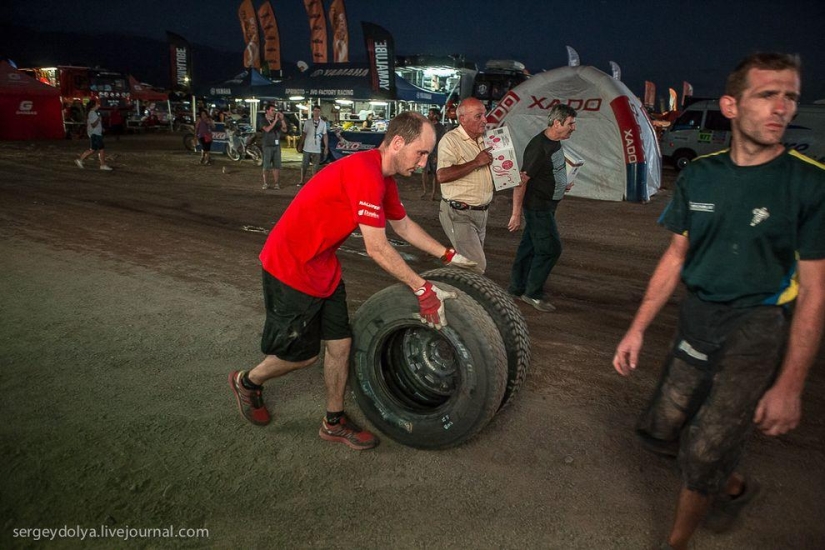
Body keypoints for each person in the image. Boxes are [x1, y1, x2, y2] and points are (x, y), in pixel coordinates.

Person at [612, 53, 825, 550]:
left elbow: (816, 290)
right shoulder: (699, 176)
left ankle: (677, 541)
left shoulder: (808, 183)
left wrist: (791, 384)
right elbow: (675, 256)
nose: (781, 108)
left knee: (705, 446)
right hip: (699, 315)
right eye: (767, 95)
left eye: (789, 96)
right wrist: (637, 327)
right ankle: (731, 485)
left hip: (760, 323)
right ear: (730, 105)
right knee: (660, 432)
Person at [228, 111, 476, 450]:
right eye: (421, 153)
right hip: (290, 267)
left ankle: (333, 422)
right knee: (302, 357)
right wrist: (422, 288)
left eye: (428, 155)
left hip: (323, 266)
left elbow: (402, 226)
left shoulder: (384, 178)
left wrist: (449, 256)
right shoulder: (365, 173)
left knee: (341, 346)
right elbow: (377, 248)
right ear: (398, 143)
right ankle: (248, 381)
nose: (424, 162)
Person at [507, 105, 577, 312]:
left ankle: (516, 287)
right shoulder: (539, 147)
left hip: (547, 205)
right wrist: (515, 214)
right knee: (551, 249)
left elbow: (548, 172)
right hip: (538, 208)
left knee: (529, 247)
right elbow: (521, 181)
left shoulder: (554, 143)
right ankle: (533, 293)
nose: (574, 128)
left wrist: (562, 183)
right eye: (570, 124)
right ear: (557, 123)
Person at [436, 97, 494, 273]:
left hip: (481, 213)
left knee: (467, 265)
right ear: (463, 119)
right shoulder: (450, 140)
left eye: (484, 115)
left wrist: (513, 176)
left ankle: (451, 286)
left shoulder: (485, 139)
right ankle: (455, 292)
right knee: (476, 266)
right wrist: (476, 162)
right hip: (459, 213)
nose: (485, 120)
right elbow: (442, 175)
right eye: (478, 116)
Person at [74, 99, 112, 171]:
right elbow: (93, 124)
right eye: (97, 104)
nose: (98, 105)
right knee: (101, 149)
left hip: (94, 133)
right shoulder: (92, 113)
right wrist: (99, 120)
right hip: (95, 134)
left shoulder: (92, 113)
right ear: (93, 105)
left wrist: (101, 127)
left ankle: (80, 160)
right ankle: (103, 165)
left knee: (92, 150)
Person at [299, 105, 329, 186]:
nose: (316, 112)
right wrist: (300, 144)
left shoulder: (323, 123)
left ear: (320, 112)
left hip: (317, 148)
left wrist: (326, 147)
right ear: (313, 112)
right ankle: (302, 180)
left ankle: (313, 182)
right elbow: (304, 134)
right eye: (315, 110)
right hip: (307, 147)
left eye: (318, 111)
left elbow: (325, 135)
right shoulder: (307, 122)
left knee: (315, 166)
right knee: (304, 165)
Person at [260, 104, 287, 190]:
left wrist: (282, 120)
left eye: (274, 110)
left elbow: (285, 129)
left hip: (276, 146)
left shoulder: (278, 121)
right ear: (267, 111)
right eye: (272, 110)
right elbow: (267, 129)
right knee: (266, 166)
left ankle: (276, 183)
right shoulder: (263, 120)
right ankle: (265, 183)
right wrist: (275, 121)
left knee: (277, 166)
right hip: (267, 146)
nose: (274, 112)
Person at [421, 108, 446, 201]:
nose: (428, 115)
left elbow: (442, 142)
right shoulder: (426, 125)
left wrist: (438, 155)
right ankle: (425, 191)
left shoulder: (441, 128)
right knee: (424, 172)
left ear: (435, 115)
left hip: (435, 152)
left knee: (435, 173)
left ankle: (433, 193)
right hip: (425, 151)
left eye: (430, 113)